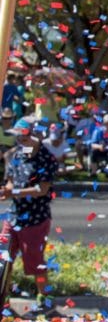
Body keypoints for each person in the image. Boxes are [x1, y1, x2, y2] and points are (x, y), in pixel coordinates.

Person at [1, 119, 57, 307]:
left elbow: (41, 189)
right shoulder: (16, 154)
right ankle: (3, 297)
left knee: (35, 262)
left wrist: (13, 192)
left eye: (24, 135)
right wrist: (5, 190)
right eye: (18, 136)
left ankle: (45, 300)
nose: (20, 139)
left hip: (35, 218)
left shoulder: (46, 159)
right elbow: (10, 181)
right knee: (4, 258)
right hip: (14, 215)